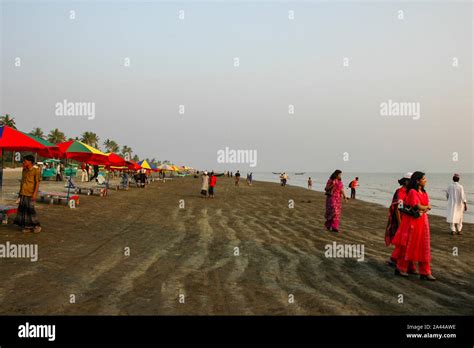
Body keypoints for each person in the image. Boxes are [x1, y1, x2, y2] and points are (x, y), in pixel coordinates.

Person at [392, 171, 435, 280]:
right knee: (408, 245)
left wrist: (424, 207)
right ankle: (401, 267)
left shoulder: (424, 192)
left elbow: (423, 206)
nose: (426, 180)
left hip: (422, 221)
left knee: (423, 245)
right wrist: (426, 207)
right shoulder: (410, 192)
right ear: (417, 180)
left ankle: (425, 271)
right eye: (424, 179)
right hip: (412, 221)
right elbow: (417, 206)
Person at [385, 172, 412, 267]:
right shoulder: (400, 192)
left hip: (407, 218)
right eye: (410, 181)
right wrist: (400, 222)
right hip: (400, 218)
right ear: (406, 181)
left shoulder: (410, 191)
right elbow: (398, 208)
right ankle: (395, 259)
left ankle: (398, 259)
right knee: (402, 241)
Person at [14, 155, 42, 233]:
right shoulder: (24, 170)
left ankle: (36, 226)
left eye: (25, 161)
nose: (23, 162)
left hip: (30, 193)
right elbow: (22, 182)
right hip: (23, 193)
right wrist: (20, 193)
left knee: (31, 210)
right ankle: (27, 226)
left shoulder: (36, 170)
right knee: (23, 210)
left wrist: (35, 194)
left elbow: (37, 183)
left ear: (30, 162)